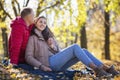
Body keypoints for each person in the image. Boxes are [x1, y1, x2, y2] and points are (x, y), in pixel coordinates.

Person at [25, 16, 119, 77]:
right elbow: (28, 57)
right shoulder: (33, 38)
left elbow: (59, 52)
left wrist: (53, 46)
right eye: (40, 22)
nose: (43, 24)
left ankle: (106, 68)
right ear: (35, 23)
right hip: (48, 64)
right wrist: (41, 66)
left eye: (45, 23)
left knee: (84, 51)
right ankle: (96, 69)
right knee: (75, 47)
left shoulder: (48, 36)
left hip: (57, 64)